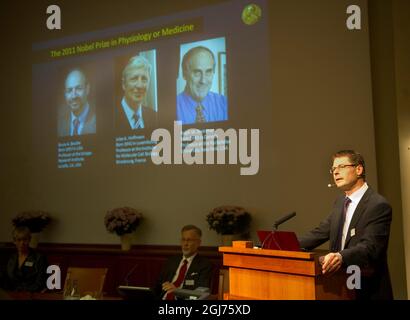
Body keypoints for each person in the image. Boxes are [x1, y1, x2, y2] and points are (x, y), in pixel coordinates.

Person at [298, 150, 393, 300]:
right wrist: (283, 245)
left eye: (341, 167)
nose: (336, 172)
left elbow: (370, 247)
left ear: (359, 169)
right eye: (333, 169)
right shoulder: (340, 202)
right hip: (340, 287)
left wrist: (340, 257)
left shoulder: (378, 205)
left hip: (367, 288)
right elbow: (320, 232)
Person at [153, 225, 213, 300]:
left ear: (198, 243)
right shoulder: (171, 261)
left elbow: (200, 293)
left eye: (189, 240)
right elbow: (158, 285)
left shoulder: (204, 264)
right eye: (183, 240)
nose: (185, 244)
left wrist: (177, 291)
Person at [177, 46, 227, 125]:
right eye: (197, 72)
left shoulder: (224, 103)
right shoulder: (173, 107)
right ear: (184, 74)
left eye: (208, 72)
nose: (203, 81)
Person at [116, 55, 157, 130]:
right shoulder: (110, 117)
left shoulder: (155, 117)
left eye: (144, 79)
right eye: (134, 79)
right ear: (124, 84)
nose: (139, 85)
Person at [2, 226, 48, 292]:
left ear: (29, 240)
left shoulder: (39, 258)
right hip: (11, 295)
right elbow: (5, 280)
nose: (22, 243)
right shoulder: (10, 258)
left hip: (32, 294)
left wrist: (21, 291)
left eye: (25, 240)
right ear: (14, 241)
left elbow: (40, 284)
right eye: (19, 240)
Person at [58, 68, 96, 137]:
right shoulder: (60, 124)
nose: (73, 96)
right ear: (65, 94)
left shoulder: (98, 121)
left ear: (87, 89)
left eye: (78, 88)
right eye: (69, 90)